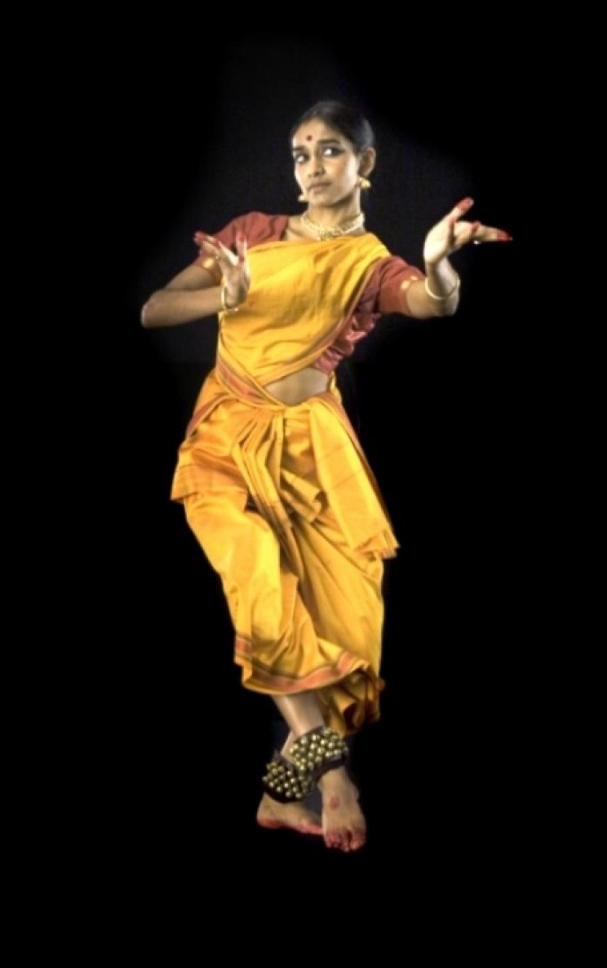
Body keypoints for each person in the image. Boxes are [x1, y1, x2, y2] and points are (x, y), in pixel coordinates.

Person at [140, 100, 511, 852]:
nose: (310, 167)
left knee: (343, 618)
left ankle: (281, 796)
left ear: (364, 165)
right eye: (300, 153)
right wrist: (225, 297)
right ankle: (335, 776)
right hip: (222, 439)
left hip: (311, 454)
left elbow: (429, 304)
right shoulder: (252, 236)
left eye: (329, 151)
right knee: (256, 580)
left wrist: (437, 263)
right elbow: (153, 309)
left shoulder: (371, 264)